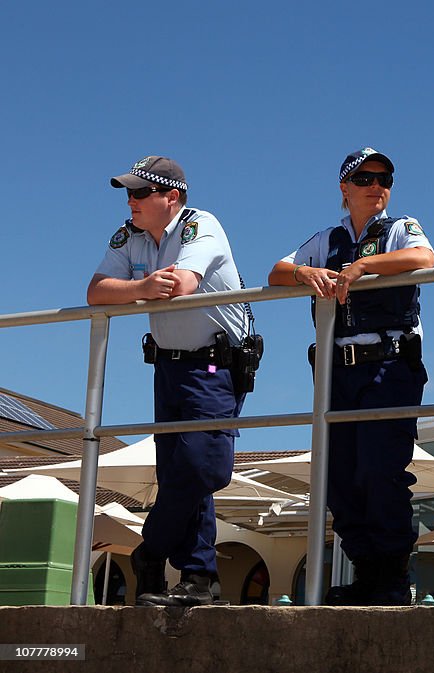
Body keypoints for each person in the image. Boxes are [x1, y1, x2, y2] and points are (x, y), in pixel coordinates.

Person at [268, 147, 434, 606]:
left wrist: (363, 266)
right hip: (337, 373)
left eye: (384, 179)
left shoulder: (401, 228)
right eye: (365, 178)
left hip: (390, 365)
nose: (376, 186)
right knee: (340, 477)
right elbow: (277, 272)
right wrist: (306, 271)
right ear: (345, 188)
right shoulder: (327, 238)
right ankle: (366, 572)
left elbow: (424, 257)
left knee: (381, 470)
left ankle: (392, 578)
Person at [87, 155, 249, 606]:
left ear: (171, 197)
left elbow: (181, 284)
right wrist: (140, 288)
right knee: (180, 473)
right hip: (169, 367)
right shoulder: (129, 236)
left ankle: (152, 551)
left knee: (204, 467)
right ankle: (200, 577)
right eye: (128, 193)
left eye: (140, 193)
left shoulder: (201, 225)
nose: (130, 201)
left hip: (214, 366)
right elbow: (96, 290)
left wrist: (135, 290)